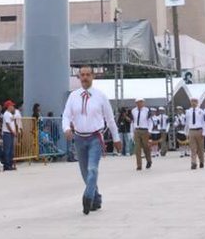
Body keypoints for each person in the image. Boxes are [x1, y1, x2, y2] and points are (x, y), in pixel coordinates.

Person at [62, 64, 121, 214]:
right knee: (85, 173)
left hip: (95, 138)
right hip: (79, 138)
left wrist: (116, 138)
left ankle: (87, 198)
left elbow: (110, 119)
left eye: (88, 75)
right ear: (79, 77)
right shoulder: (73, 96)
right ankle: (96, 198)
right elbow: (66, 115)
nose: (85, 78)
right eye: (82, 75)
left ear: (93, 77)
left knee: (92, 169)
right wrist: (66, 128)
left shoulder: (100, 96)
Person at [185, 97, 205, 170]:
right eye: (192, 101)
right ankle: (193, 163)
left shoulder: (201, 111)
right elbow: (187, 123)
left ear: (197, 103)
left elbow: (204, 122)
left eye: (195, 101)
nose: (193, 103)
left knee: (200, 148)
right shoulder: (188, 111)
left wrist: (204, 132)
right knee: (193, 148)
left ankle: (201, 161)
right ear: (190, 103)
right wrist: (186, 132)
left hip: (199, 130)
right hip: (191, 131)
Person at [130, 98, 152, 169]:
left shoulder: (147, 110)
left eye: (141, 102)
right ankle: (139, 165)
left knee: (146, 147)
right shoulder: (133, 111)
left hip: (145, 130)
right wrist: (132, 133)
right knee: (137, 148)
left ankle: (149, 160)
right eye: (138, 102)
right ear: (136, 103)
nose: (140, 104)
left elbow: (150, 121)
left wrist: (150, 130)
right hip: (137, 130)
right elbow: (132, 122)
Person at [1, 100, 18, 170]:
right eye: (12, 106)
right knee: (7, 150)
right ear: (9, 106)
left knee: (11, 150)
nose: (13, 107)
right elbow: (8, 125)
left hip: (10, 133)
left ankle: (10, 164)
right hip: (7, 133)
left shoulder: (10, 114)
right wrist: (13, 132)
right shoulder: (6, 114)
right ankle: (6, 165)